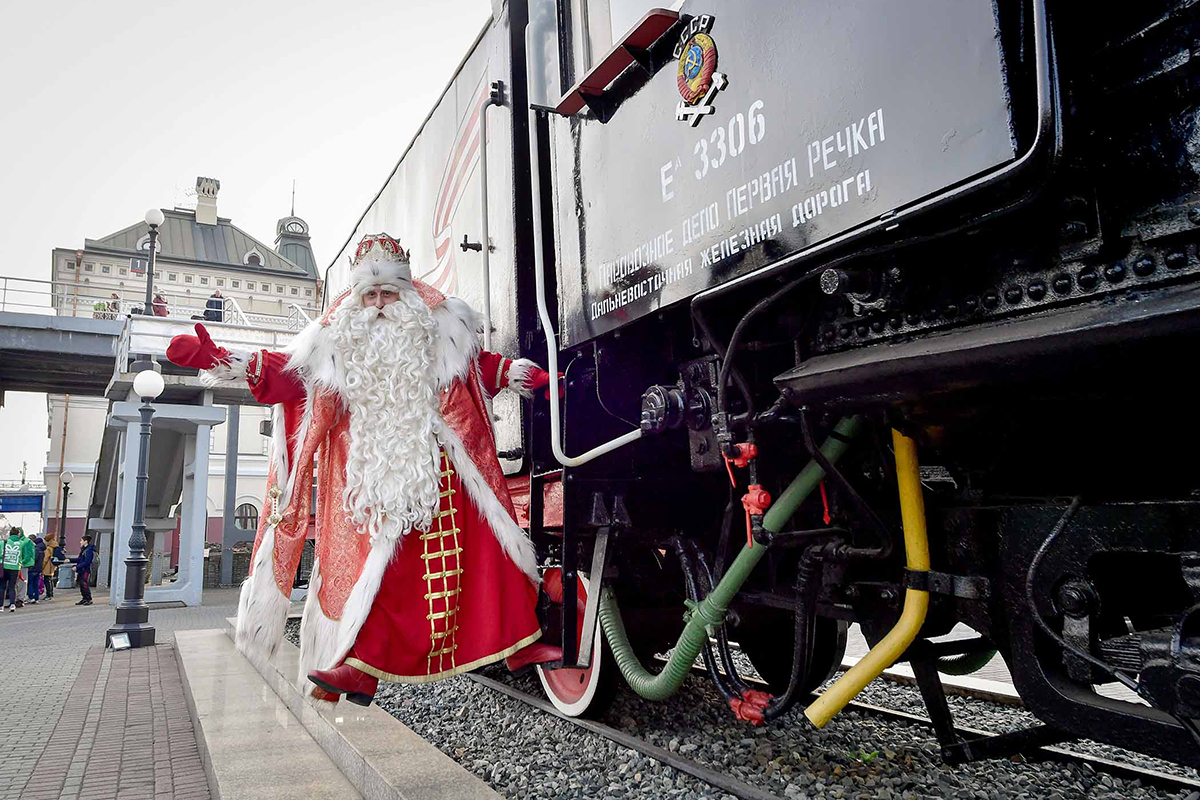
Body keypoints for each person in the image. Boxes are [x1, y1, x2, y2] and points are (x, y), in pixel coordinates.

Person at [166, 232, 562, 706]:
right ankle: (358, 668)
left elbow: (477, 367)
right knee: (380, 579)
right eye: (370, 294)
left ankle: (520, 642)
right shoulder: (335, 342)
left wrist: (526, 376)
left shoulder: (437, 327)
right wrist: (225, 360)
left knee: (492, 551)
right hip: (377, 478)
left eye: (388, 293)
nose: (379, 304)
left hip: (447, 467)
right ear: (357, 298)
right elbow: (286, 373)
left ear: (406, 294)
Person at [2, 522, 22, 612]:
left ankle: (0, 606)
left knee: (2, 587)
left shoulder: (3, 543)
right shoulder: (21, 543)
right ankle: (12, 605)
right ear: (18, 534)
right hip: (15, 568)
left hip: (4, 567)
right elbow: (24, 556)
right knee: (12, 587)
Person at [75, 535, 94, 606]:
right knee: (81, 584)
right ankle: (84, 598)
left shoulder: (88, 550)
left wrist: (77, 567)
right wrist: (69, 560)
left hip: (85, 570)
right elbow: (80, 559)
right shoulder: (84, 549)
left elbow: (87, 562)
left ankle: (88, 599)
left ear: (85, 541)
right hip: (81, 569)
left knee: (84, 584)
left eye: (81, 540)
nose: (80, 542)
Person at [27, 533, 45, 604]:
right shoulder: (42, 550)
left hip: (33, 568)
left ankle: (31, 597)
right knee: (36, 583)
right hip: (39, 569)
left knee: (30, 583)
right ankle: (36, 597)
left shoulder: (36, 549)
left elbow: (34, 558)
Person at [41, 532, 57, 600]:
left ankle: (49, 594)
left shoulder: (49, 548)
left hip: (48, 566)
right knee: (50, 580)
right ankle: (51, 593)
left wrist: (42, 566)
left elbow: (45, 558)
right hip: (52, 566)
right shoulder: (55, 546)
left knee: (47, 580)